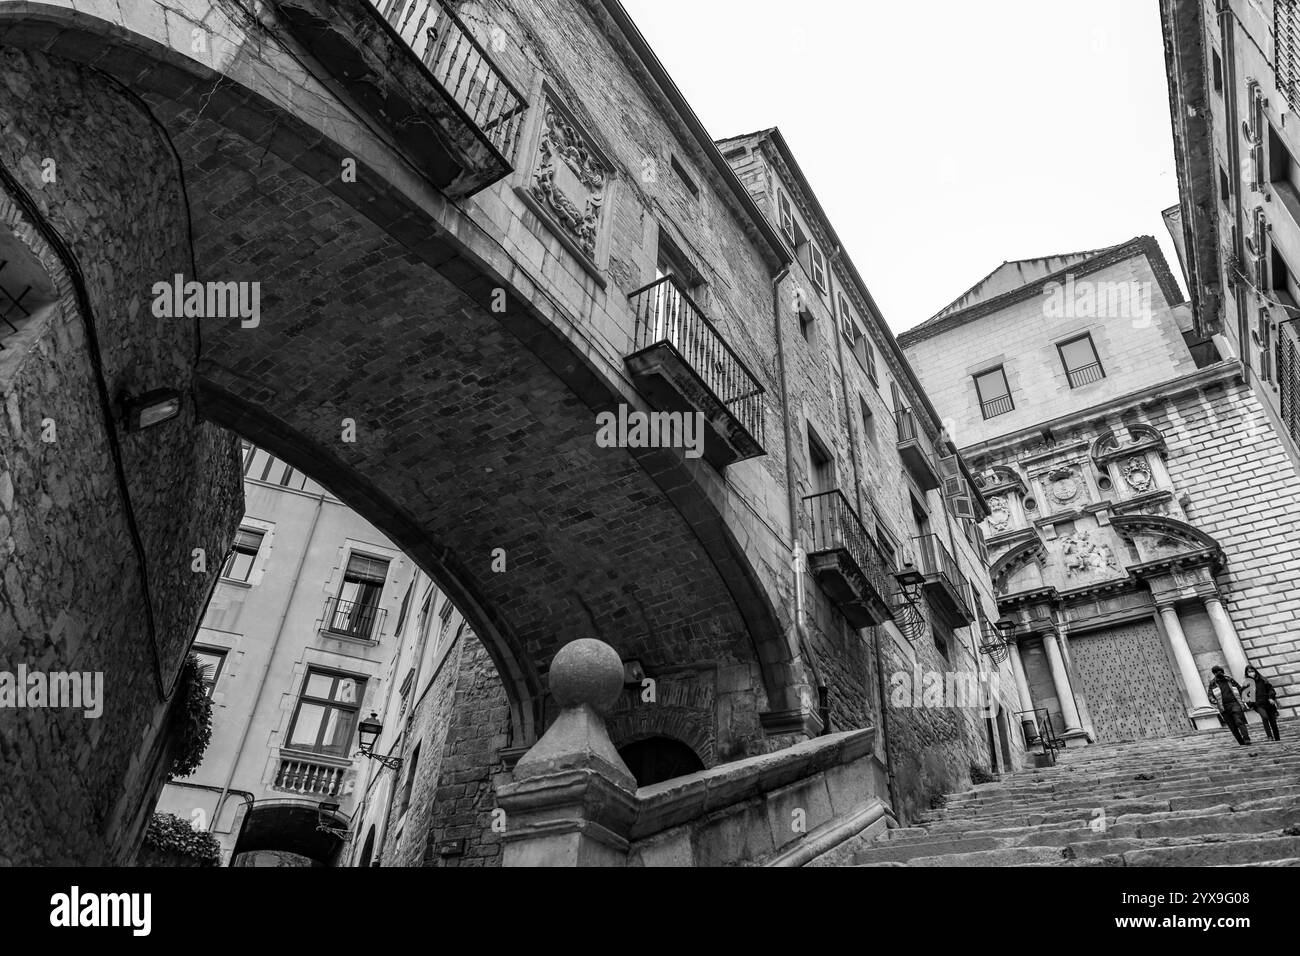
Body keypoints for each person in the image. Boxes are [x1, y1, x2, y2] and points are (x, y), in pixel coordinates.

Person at [1206, 665, 1251, 745]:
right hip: (1223, 707)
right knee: (1232, 727)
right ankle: (1241, 742)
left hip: (1234, 703)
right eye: (1216, 672)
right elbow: (1210, 695)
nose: (1218, 673)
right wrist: (1214, 701)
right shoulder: (1212, 683)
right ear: (1214, 673)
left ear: (1222, 672)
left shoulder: (1230, 680)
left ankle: (1246, 738)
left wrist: (1244, 699)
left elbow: (1239, 689)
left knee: (1239, 721)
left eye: (1220, 671)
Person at [1243, 664, 1281, 741]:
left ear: (1255, 671)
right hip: (1258, 704)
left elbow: (1271, 690)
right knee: (1264, 717)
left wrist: (1271, 698)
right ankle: (1269, 736)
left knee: (1273, 722)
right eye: (1249, 672)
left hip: (1268, 703)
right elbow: (1245, 695)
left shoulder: (1263, 680)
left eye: (1252, 671)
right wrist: (1250, 704)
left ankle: (1277, 738)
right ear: (1247, 673)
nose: (1251, 673)